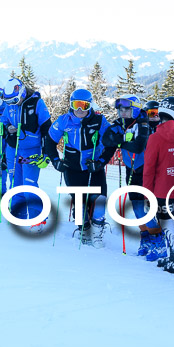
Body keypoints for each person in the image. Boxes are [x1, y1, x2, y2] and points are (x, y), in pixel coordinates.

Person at [44, 88, 112, 245]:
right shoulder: (63, 121)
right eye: (76, 105)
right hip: (72, 167)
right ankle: (84, 229)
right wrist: (56, 160)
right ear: (71, 105)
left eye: (84, 105)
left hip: (93, 167)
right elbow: (49, 141)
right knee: (78, 200)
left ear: (90, 106)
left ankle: (97, 231)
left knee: (100, 199)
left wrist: (101, 161)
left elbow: (111, 142)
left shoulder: (99, 121)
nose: (80, 110)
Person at [102, 95, 161, 255]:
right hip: (131, 169)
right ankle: (146, 238)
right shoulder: (121, 123)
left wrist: (119, 141)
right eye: (121, 110)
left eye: (127, 109)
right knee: (136, 207)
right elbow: (106, 139)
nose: (123, 112)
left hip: (145, 170)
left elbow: (138, 146)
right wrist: (121, 140)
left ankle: (158, 240)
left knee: (144, 208)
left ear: (134, 109)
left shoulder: (143, 122)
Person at [143, 97, 174, 274]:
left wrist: (147, 194)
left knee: (166, 223)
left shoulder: (156, 138)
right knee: (172, 222)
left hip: (162, 189)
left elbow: (148, 169)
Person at [0, 77, 52, 230]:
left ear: (21, 92)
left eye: (13, 100)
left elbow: (46, 127)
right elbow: (3, 121)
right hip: (12, 148)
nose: (11, 104)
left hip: (31, 150)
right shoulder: (9, 104)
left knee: (29, 183)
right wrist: (8, 127)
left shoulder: (36, 103)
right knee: (15, 184)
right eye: (8, 101)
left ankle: (38, 218)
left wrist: (45, 152)